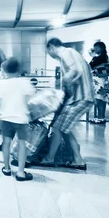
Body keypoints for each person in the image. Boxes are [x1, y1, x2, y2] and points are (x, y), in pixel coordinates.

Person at [41, 38, 94, 170]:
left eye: (48, 51)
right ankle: (76, 159)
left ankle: (50, 158)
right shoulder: (72, 53)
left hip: (81, 98)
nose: (49, 54)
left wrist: (61, 83)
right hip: (79, 98)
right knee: (63, 128)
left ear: (51, 47)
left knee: (59, 128)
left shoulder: (66, 53)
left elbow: (75, 70)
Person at [0, 58, 35, 181]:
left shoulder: (0, 83)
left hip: (5, 118)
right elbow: (30, 97)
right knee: (22, 144)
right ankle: (21, 172)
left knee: (6, 143)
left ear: (4, 70)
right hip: (21, 118)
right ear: (18, 70)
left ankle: (6, 168)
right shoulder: (24, 82)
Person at [89, 42, 109, 124]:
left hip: (99, 80)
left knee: (99, 98)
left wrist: (93, 56)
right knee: (102, 98)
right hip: (103, 80)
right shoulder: (105, 57)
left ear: (101, 48)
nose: (95, 49)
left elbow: (90, 65)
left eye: (96, 48)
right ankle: (101, 117)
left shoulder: (99, 58)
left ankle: (100, 117)